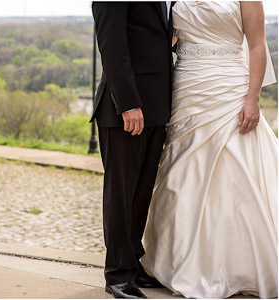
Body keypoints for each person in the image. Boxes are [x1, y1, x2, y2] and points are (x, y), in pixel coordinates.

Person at [140, 2, 278, 298]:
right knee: (183, 174)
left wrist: (252, 98)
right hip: (187, 87)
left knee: (236, 172)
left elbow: (256, 46)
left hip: (229, 88)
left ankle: (237, 264)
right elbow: (166, 37)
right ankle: (181, 261)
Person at [92, 2, 173, 298]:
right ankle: (117, 275)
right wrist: (127, 104)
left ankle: (132, 264)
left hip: (156, 107)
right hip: (124, 109)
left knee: (140, 194)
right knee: (121, 194)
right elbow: (112, 46)